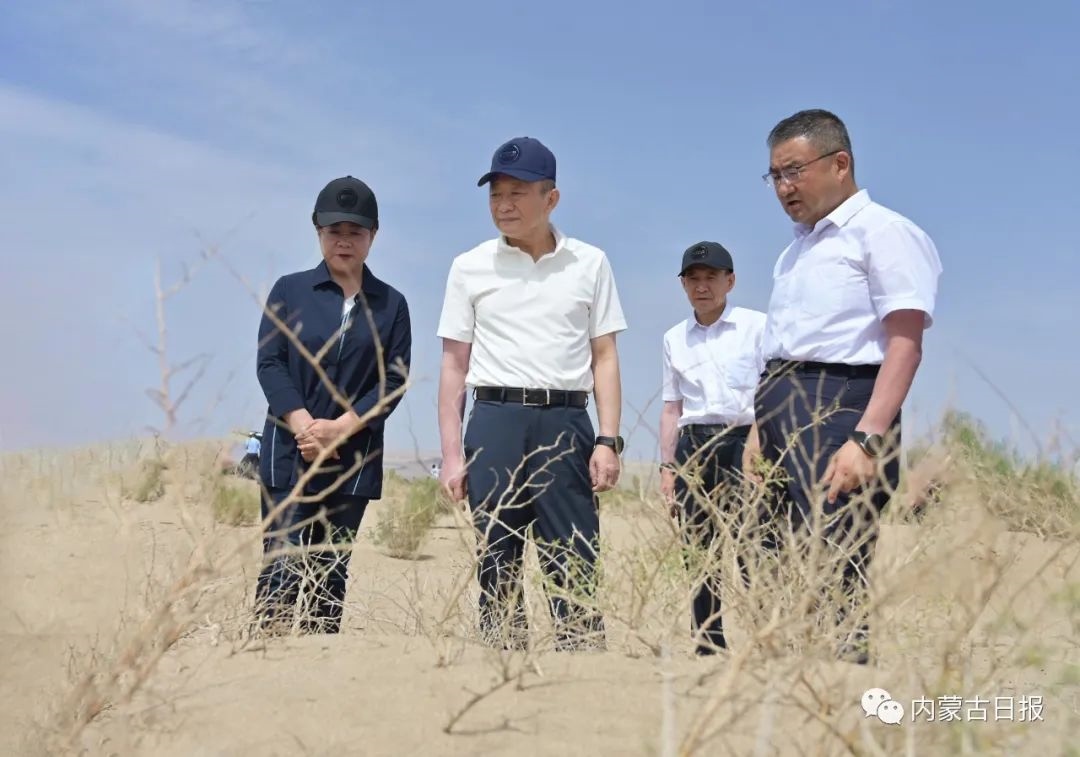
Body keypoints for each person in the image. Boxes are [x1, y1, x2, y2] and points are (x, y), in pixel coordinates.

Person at [750, 108, 942, 663]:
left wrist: (867, 438)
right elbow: (783, 349)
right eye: (774, 175)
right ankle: (788, 684)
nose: (784, 187)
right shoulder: (796, 250)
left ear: (840, 163)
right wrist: (761, 429)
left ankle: (844, 687)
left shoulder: (885, 233)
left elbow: (904, 343)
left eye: (794, 171)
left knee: (836, 561)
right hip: (781, 406)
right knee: (778, 559)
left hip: (842, 407)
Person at [436, 136, 627, 651]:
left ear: (551, 198)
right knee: (496, 556)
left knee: (574, 555)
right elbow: (453, 365)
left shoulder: (590, 263)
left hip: (565, 424)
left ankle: (581, 660)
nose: (504, 205)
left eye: (517, 192)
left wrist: (608, 440)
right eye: (496, 193)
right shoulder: (469, 266)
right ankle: (504, 663)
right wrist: (452, 454)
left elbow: (605, 356)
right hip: (494, 420)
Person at [252, 175, 412, 635]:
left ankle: (319, 663)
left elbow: (393, 380)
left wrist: (341, 429)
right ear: (317, 230)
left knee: (330, 574)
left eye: (355, 232)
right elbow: (270, 363)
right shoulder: (289, 290)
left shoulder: (392, 305)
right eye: (334, 230)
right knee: (281, 567)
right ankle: (266, 658)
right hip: (290, 453)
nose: (344, 241)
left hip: (352, 460)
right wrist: (304, 424)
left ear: (373, 235)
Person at [659, 241, 766, 656]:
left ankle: (767, 638)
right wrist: (668, 469)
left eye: (711, 278)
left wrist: (759, 444)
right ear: (683, 285)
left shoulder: (757, 326)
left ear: (730, 281)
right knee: (698, 548)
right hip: (694, 445)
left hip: (746, 442)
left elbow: (772, 391)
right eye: (693, 279)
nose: (701, 287)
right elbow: (672, 408)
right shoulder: (674, 338)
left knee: (754, 544)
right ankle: (708, 644)